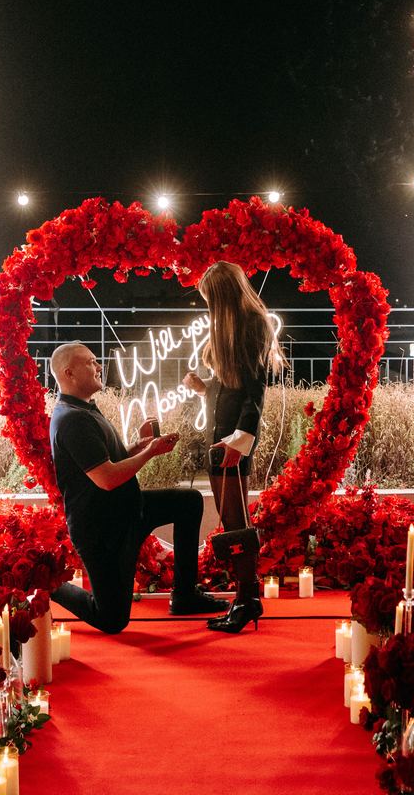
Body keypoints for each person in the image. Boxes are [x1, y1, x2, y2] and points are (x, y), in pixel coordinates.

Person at [48, 342, 227, 634]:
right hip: (102, 529)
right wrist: (150, 452)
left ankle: (184, 595)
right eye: (90, 362)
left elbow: (107, 461)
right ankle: (50, 585)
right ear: (68, 372)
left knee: (189, 502)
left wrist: (137, 447)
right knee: (111, 619)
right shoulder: (73, 419)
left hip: (127, 509)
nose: (98, 367)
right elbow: (106, 478)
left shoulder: (84, 409)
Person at [183, 261, 285, 633]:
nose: (208, 306)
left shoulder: (251, 325)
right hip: (224, 437)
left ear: (222, 295)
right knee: (232, 522)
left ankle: (247, 600)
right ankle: (245, 599)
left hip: (231, 441)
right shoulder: (235, 326)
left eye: (210, 298)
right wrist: (205, 389)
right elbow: (235, 388)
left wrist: (240, 441)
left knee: (236, 523)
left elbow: (256, 392)